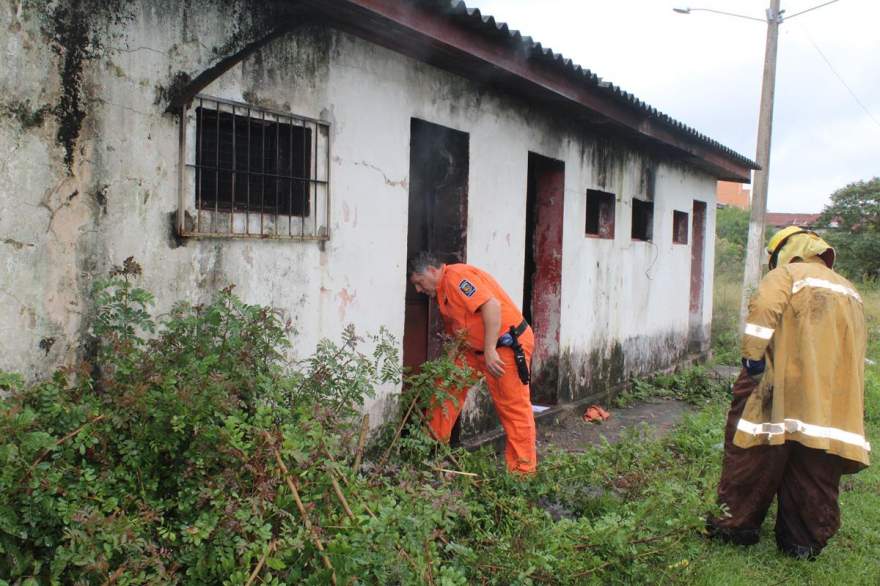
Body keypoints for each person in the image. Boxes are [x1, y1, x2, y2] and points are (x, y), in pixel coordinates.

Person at [707, 226, 870, 559]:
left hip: (775, 385)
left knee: (753, 455)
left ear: (787, 250)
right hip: (829, 397)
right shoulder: (850, 290)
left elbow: (764, 309)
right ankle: (802, 542)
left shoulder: (787, 275)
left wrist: (752, 357)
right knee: (816, 464)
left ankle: (735, 527)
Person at [407, 251, 537, 474]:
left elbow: (491, 306)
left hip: (504, 346)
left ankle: (522, 474)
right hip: (473, 351)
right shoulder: (442, 292)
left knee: (513, 407)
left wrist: (489, 350)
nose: (419, 290)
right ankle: (430, 451)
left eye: (419, 283)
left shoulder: (457, 277)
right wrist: (448, 363)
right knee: (445, 387)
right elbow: (461, 330)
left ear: (430, 270)